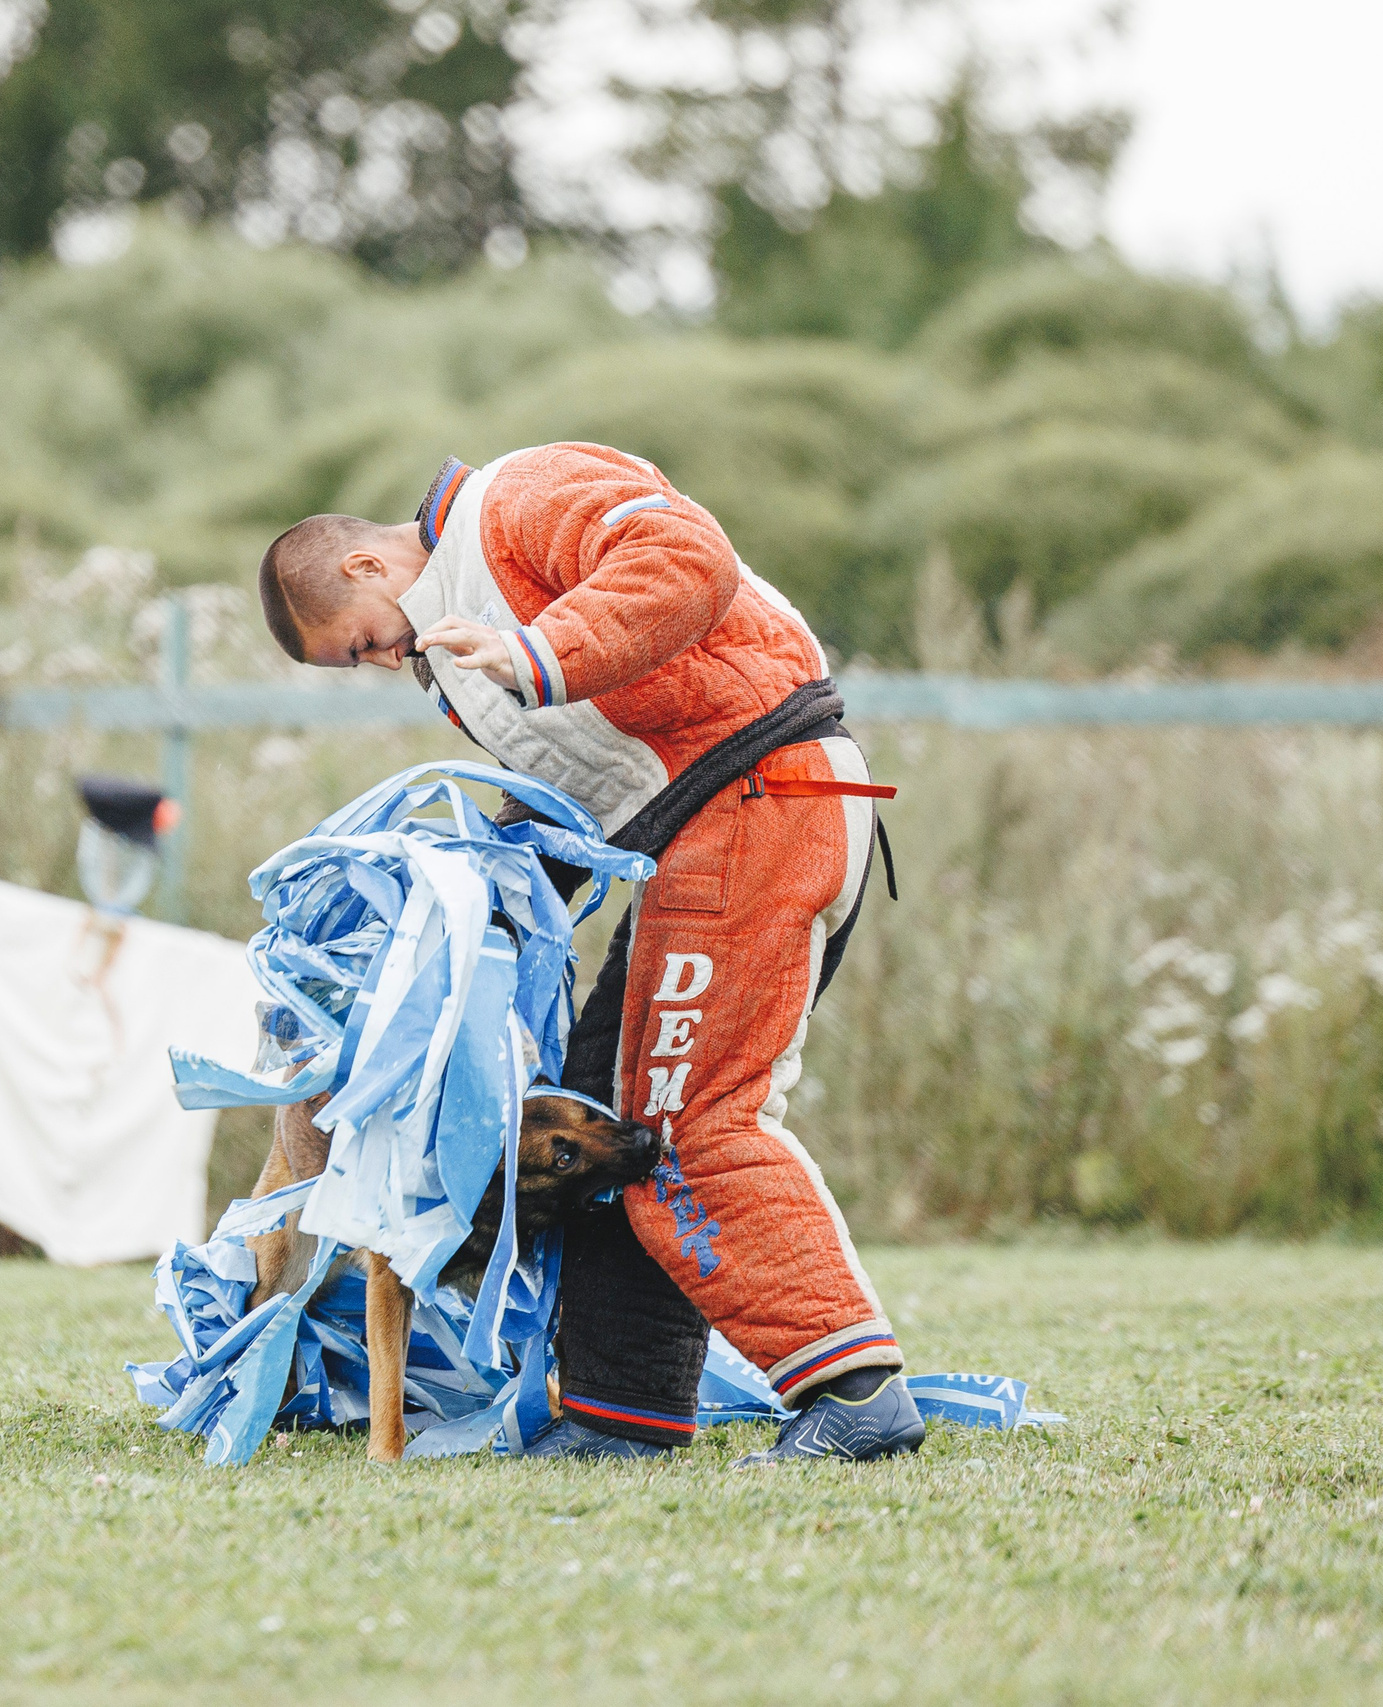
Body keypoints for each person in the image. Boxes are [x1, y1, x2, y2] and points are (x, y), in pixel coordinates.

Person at [252, 443, 920, 1466]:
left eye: (361, 645)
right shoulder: (459, 650)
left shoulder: (514, 500)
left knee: (686, 1118)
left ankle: (855, 1392)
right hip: (706, 826)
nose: (382, 663)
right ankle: (620, 1413)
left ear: (365, 567)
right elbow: (576, 794)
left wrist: (536, 652)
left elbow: (687, 557)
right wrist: (467, 916)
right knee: (602, 1113)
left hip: (762, 799)